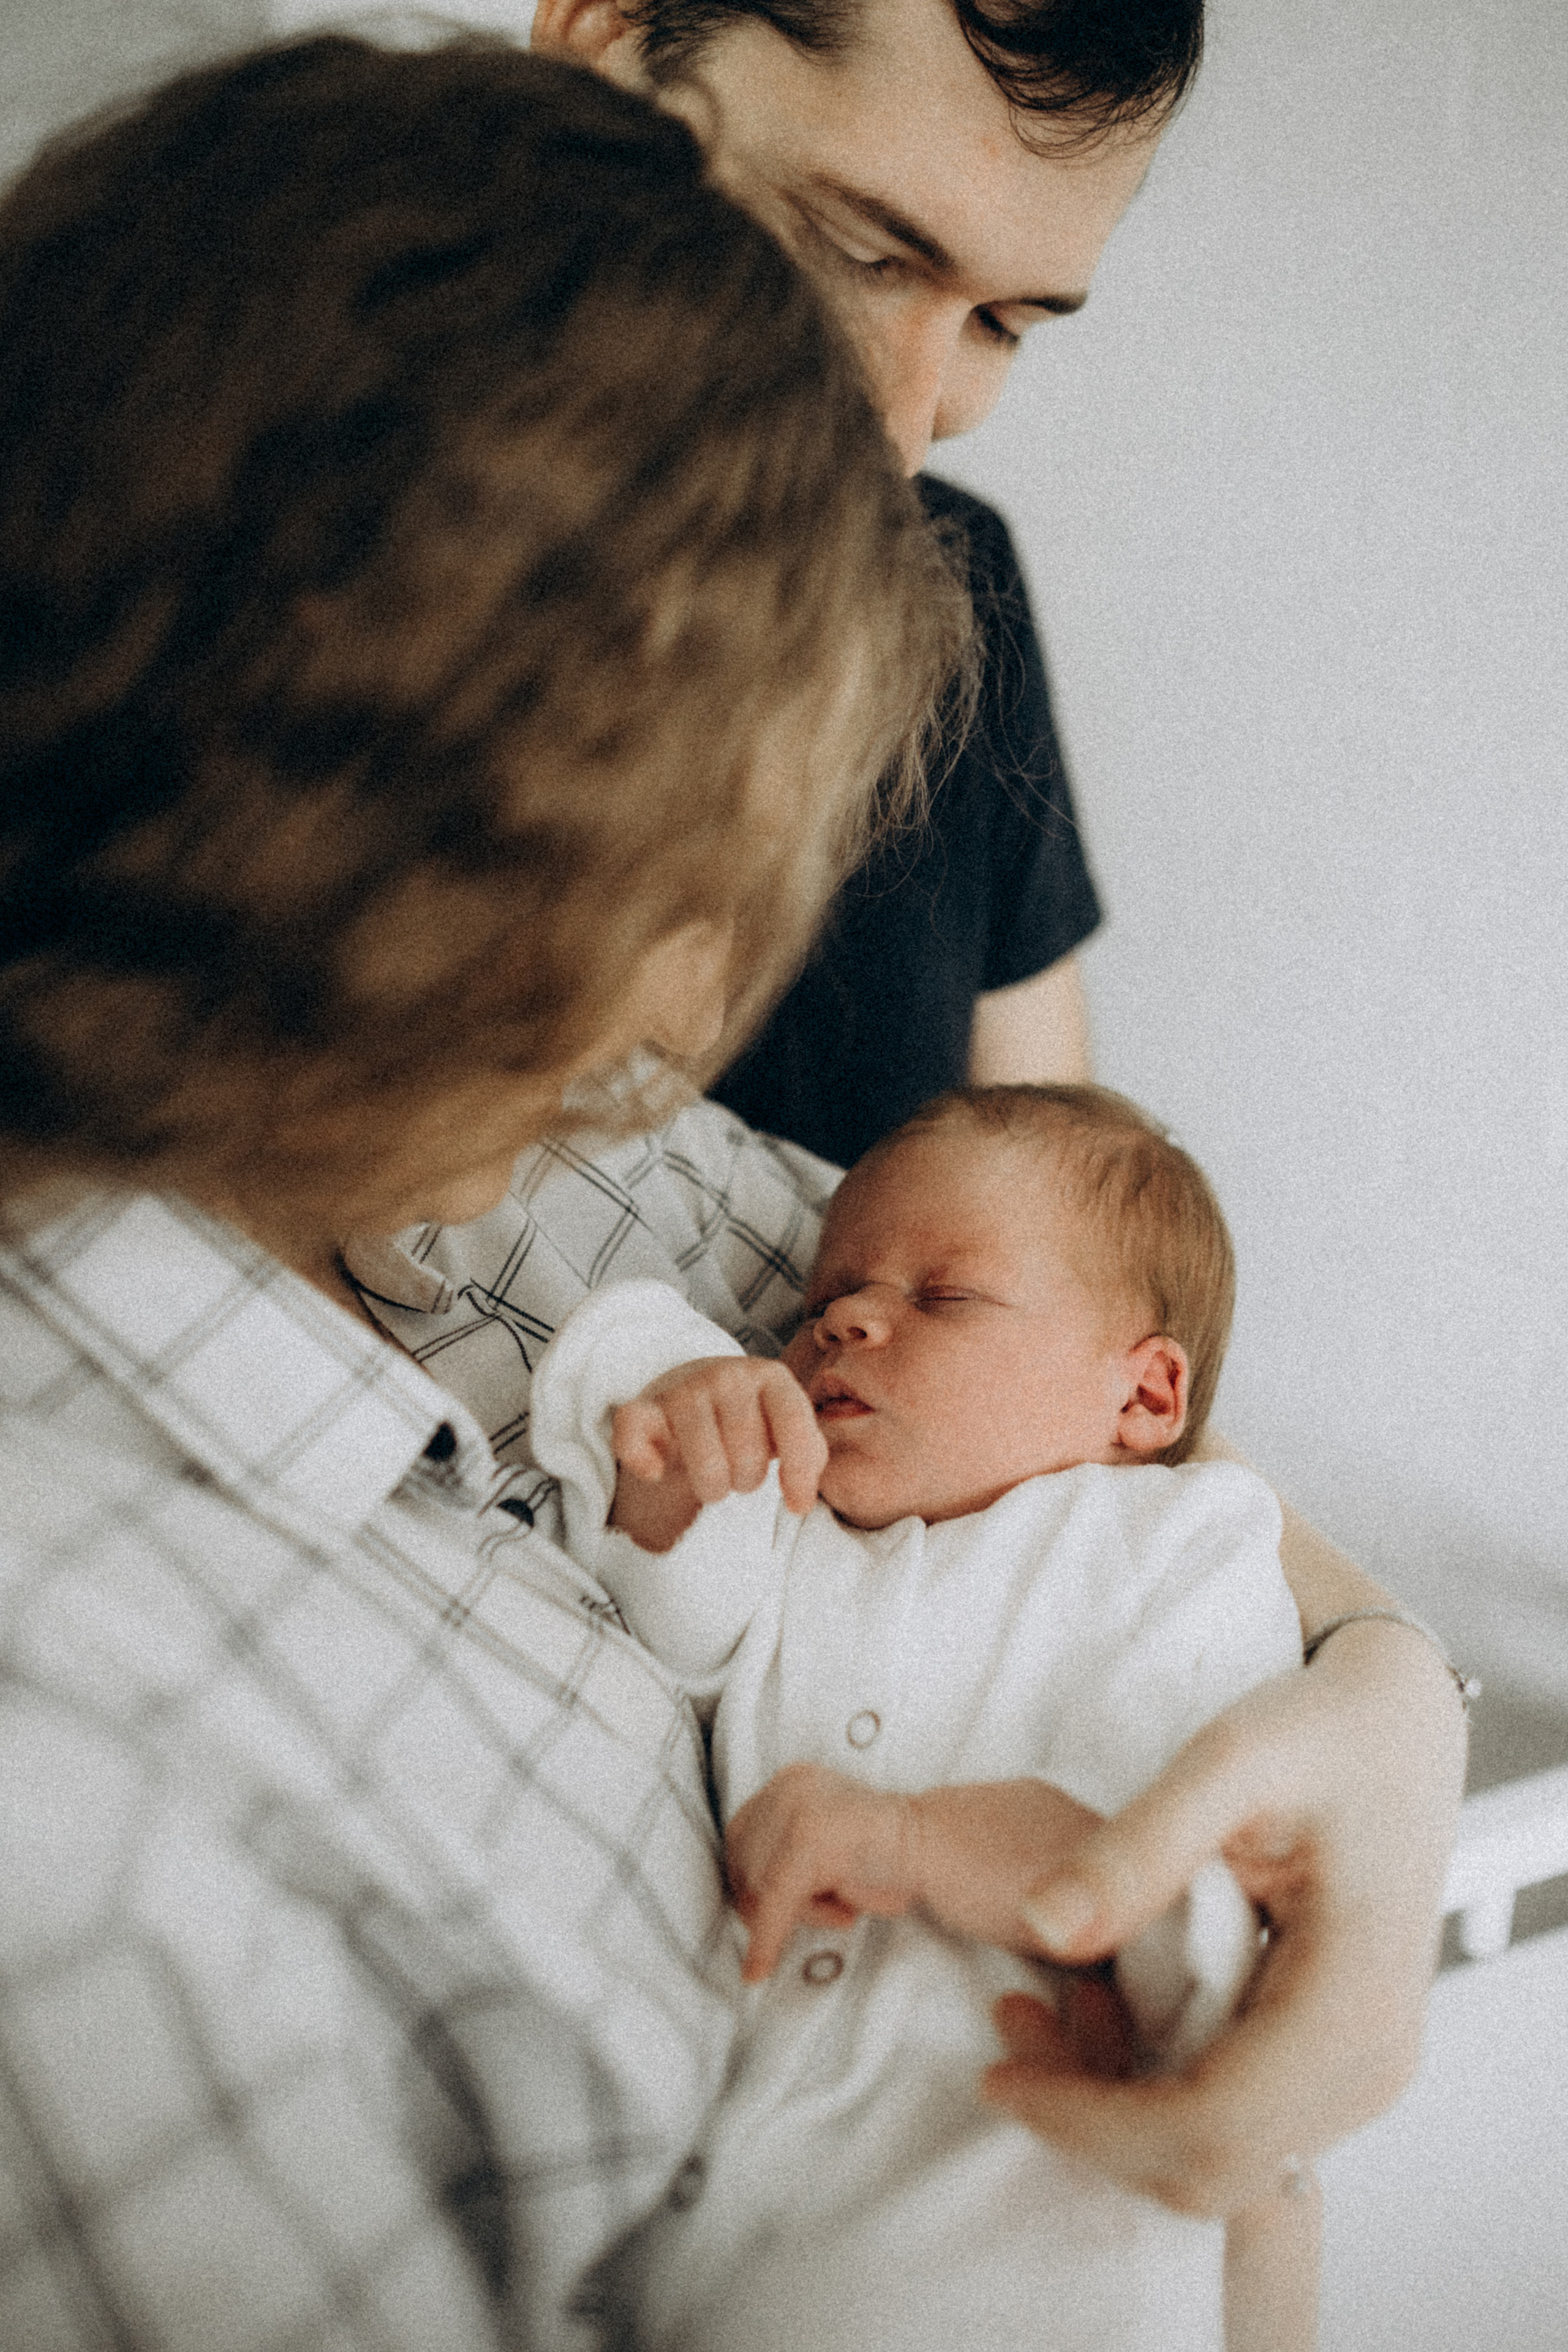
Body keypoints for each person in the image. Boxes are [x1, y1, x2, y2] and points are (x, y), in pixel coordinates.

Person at [0, 32, 971, 2349]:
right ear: (476, 880)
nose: (710, 995)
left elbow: (1096, 1348)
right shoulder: (98, 1874)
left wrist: (1374, 1712)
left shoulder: (516, 1165)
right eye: (709, 877)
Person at [523, 0, 1471, 2240]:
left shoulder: (955, 606)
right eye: (862, 247)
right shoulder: (196, 604)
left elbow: (1085, 1296)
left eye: (1015, 322)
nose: (912, 411)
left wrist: (1392, 1692)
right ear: (602, 40)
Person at [522, 1082, 1313, 2351]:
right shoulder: (803, 1524)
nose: (842, 1321)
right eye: (819, 1302)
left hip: (1031, 2210)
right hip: (741, 2221)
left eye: (938, 1298)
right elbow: (672, 1611)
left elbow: (1179, 1875)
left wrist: (908, 1843)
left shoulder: (1171, 1548)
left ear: (1144, 1400)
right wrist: (684, 1429)